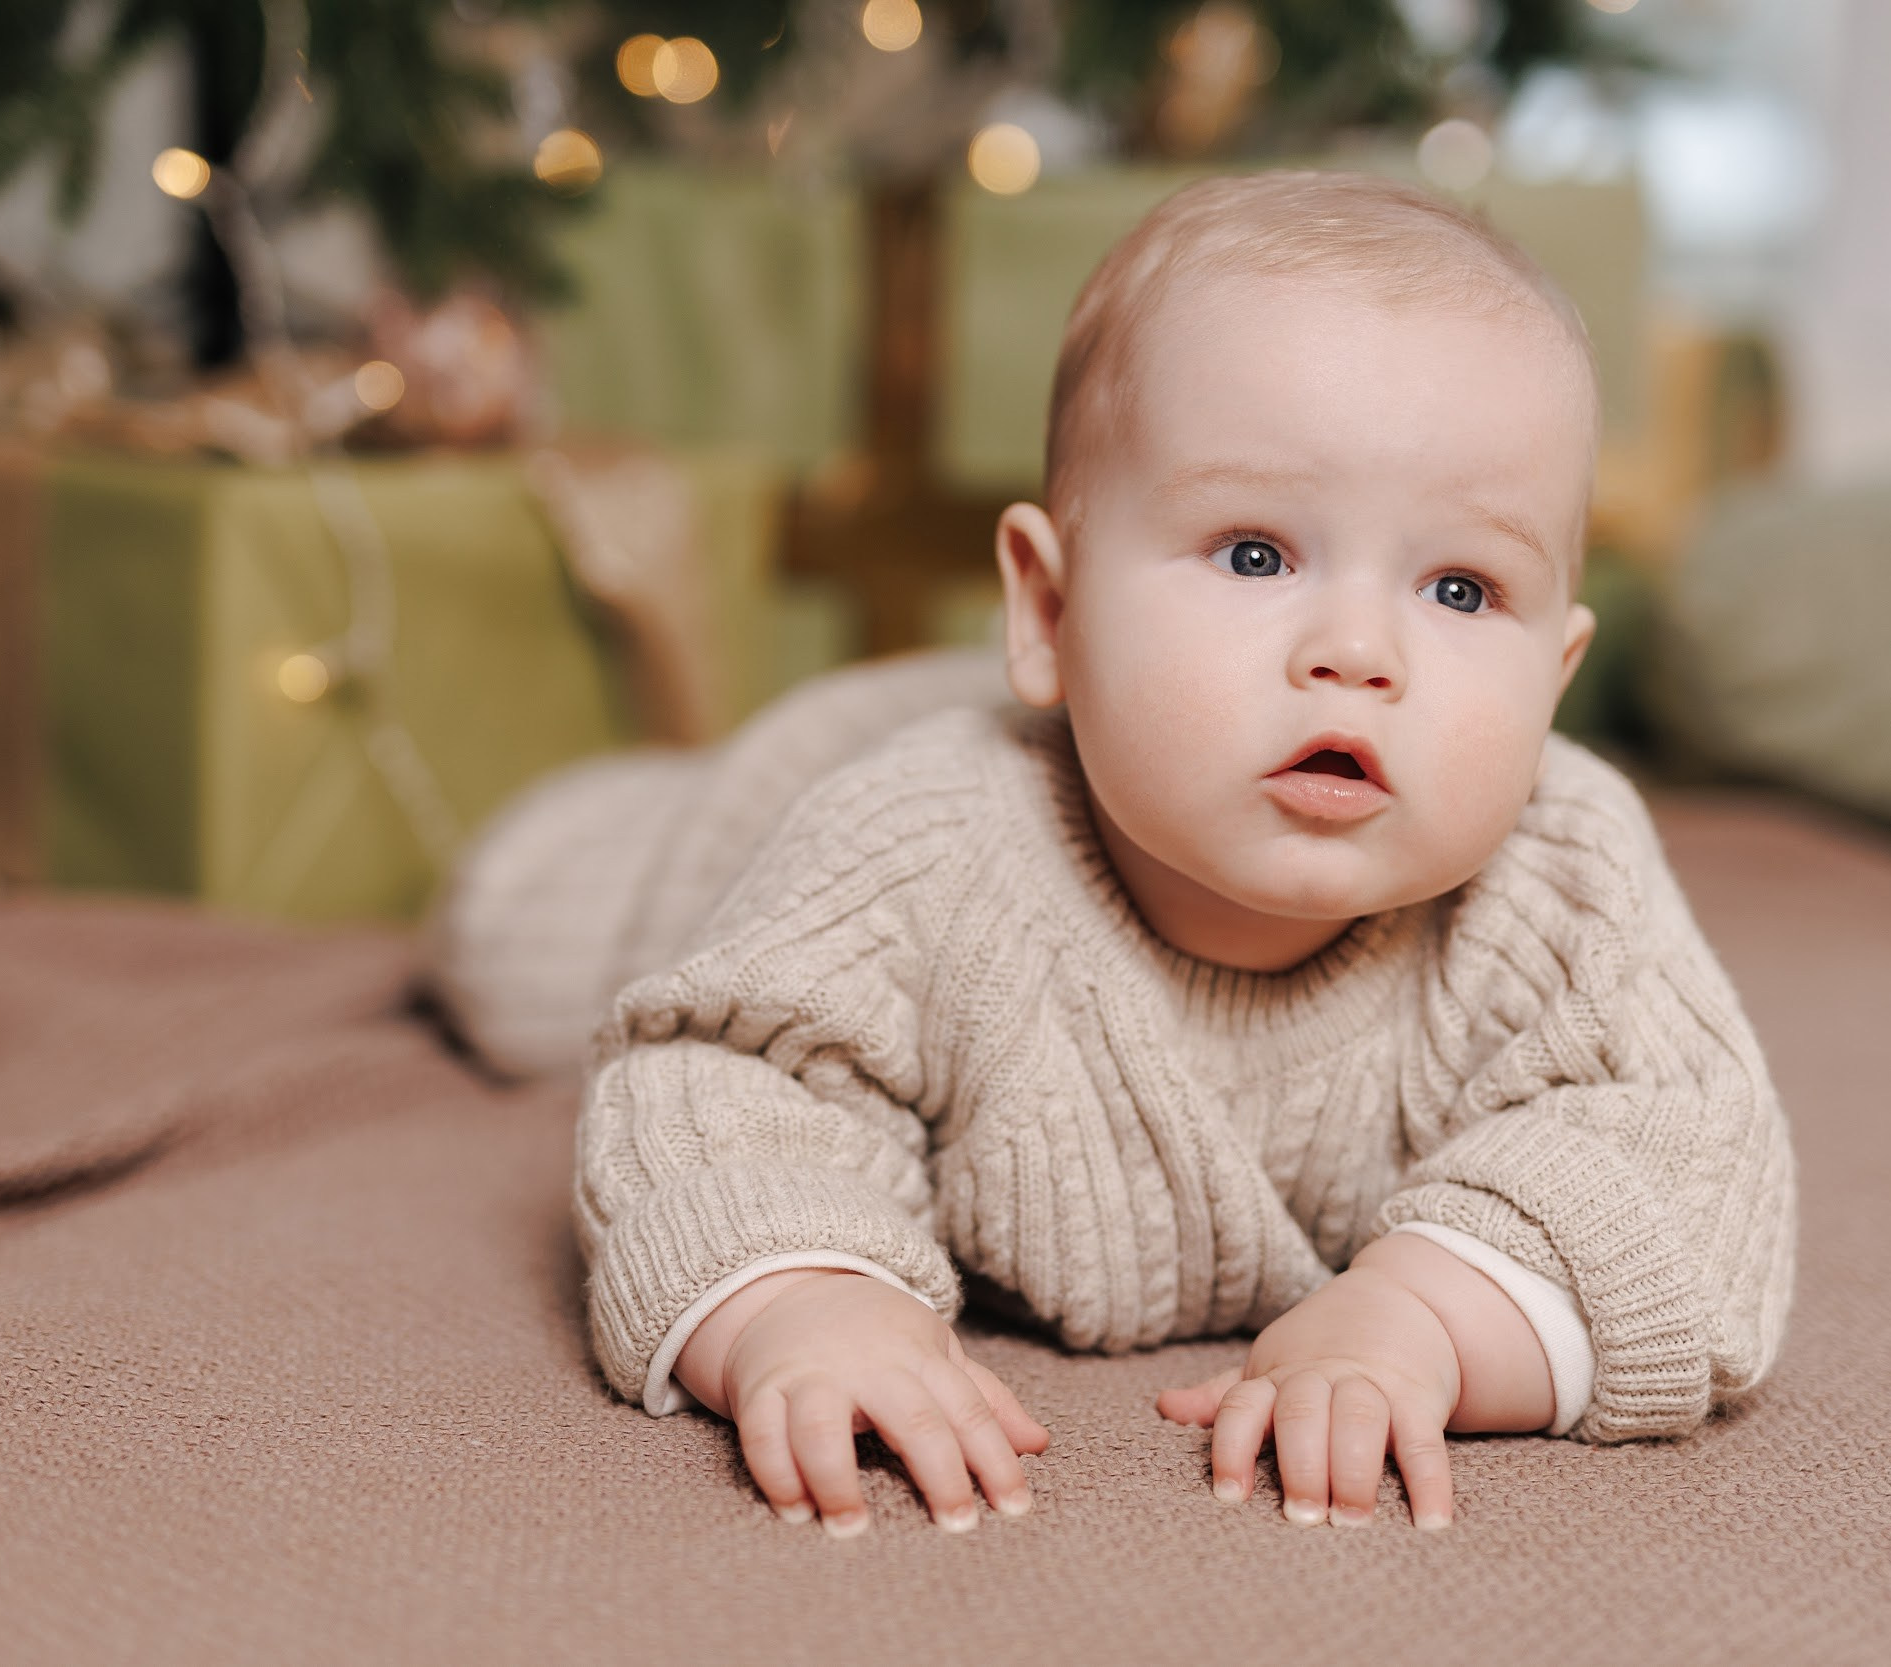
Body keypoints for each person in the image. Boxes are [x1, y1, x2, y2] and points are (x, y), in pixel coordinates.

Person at [449, 171, 1795, 1539]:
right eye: (1257, 554)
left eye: (1462, 588)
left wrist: (1427, 1318)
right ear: (1046, 608)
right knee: (528, 965)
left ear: (1555, 679)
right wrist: (802, 1305)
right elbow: (727, 1085)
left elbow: (1690, 1169)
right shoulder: (914, 848)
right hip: (777, 812)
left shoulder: (1564, 873)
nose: (1358, 652)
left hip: (1085, 732)